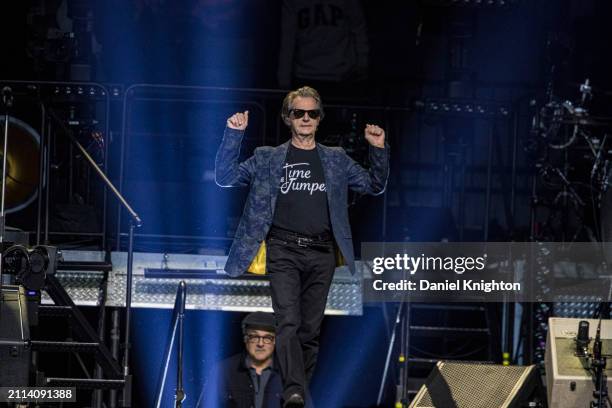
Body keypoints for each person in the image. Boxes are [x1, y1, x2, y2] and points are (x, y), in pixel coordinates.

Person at [215, 86, 389, 407]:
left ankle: (293, 394)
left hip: (321, 252)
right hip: (283, 250)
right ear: (288, 118)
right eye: (299, 113)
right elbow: (225, 177)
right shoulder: (267, 158)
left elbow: (374, 185)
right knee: (288, 323)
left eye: (312, 113)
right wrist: (233, 134)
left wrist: (377, 149)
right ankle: (295, 390)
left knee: (309, 332)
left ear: (319, 119)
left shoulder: (336, 159)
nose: (306, 118)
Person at [198, 312, 283, 408]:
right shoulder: (223, 371)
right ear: (245, 338)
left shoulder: (287, 373)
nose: (260, 343)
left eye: (267, 338)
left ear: (275, 340)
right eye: (254, 337)